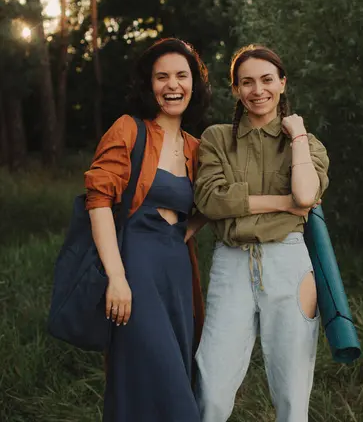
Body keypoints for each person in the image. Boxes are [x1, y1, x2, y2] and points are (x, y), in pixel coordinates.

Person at [194, 44, 329, 422]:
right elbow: (210, 201)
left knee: (292, 391)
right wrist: (284, 204)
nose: (258, 90)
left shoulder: (306, 143)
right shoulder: (217, 139)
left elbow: (305, 193)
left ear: (282, 84)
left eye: (267, 80)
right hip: (231, 262)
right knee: (212, 386)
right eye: (247, 82)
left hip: (289, 262)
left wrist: (298, 133)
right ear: (235, 89)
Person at [84, 38, 210, 422]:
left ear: (194, 84)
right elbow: (99, 200)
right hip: (135, 268)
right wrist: (117, 276)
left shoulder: (198, 147)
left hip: (178, 272)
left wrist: (184, 231)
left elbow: (215, 202)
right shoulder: (129, 130)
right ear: (149, 85)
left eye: (181, 76)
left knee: (176, 371)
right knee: (163, 384)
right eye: (162, 77)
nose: (172, 85)